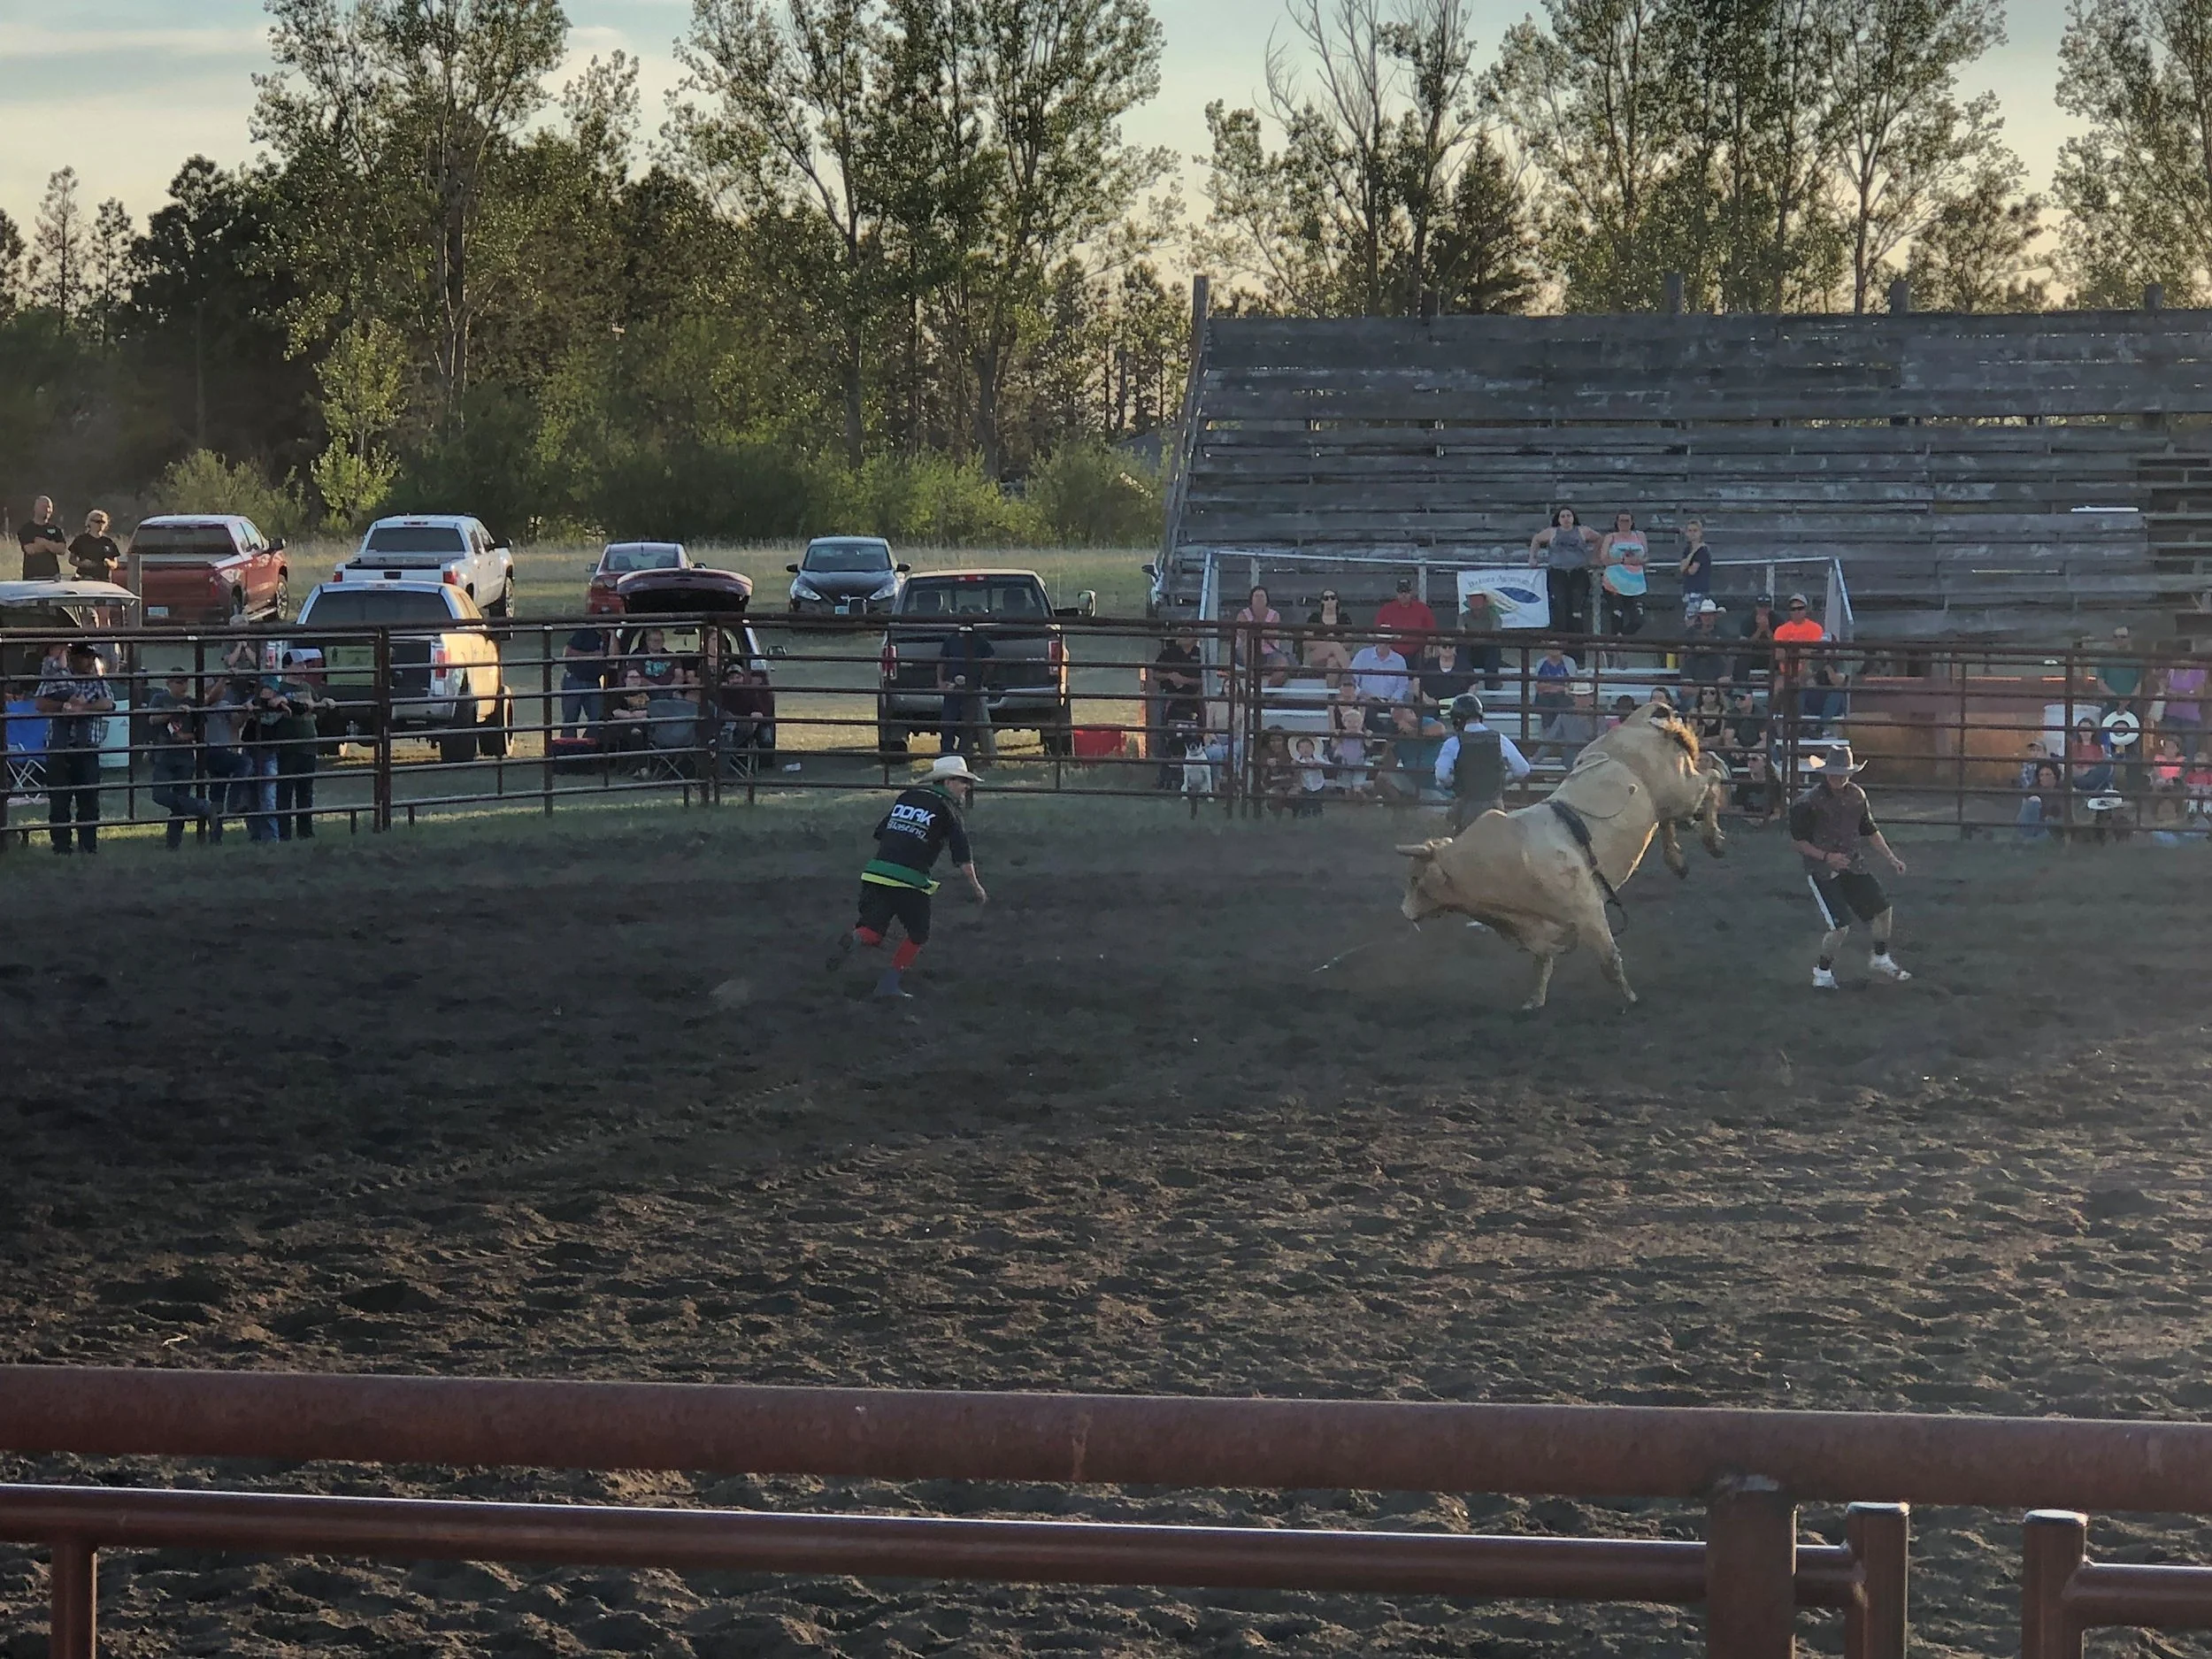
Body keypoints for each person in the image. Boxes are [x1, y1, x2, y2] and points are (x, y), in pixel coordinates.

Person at [828, 752, 988, 1000]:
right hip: (909, 879)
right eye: (962, 781)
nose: (967, 787)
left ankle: (855, 937)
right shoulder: (950, 810)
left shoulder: (908, 797)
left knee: (872, 929)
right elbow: (963, 858)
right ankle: (888, 985)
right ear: (947, 782)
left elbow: (881, 832)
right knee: (918, 933)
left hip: (875, 873)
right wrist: (977, 888)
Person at [1787, 747, 1910, 990]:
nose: (1838, 778)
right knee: (1840, 926)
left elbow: (1870, 830)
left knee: (1883, 909)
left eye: (1842, 773)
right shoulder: (1807, 803)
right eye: (1834, 773)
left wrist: (1890, 857)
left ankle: (1880, 957)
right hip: (1822, 870)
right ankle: (1822, 971)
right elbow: (1798, 842)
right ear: (1826, 773)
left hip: (1853, 864)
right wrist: (1826, 856)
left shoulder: (1857, 797)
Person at [34, 641, 113, 855]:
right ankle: (61, 846)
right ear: (74, 656)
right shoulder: (58, 677)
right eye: (85, 656)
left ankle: (88, 845)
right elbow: (40, 703)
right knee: (59, 801)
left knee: (88, 801)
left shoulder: (97, 681)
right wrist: (64, 707)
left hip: (86, 748)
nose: (90, 661)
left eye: (92, 657)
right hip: (60, 747)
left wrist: (81, 708)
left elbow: (108, 703)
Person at [1433, 694, 1531, 833]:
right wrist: (1502, 782)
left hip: (1467, 805)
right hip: (1495, 806)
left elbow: (1442, 775)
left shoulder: (1453, 744)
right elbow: (1523, 769)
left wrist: (1454, 784)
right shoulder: (1500, 739)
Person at [145, 672, 219, 849]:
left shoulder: (193, 703)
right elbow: (152, 719)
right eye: (179, 682)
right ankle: (204, 807)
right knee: (160, 795)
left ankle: (173, 844)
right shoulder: (160, 698)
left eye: (185, 682)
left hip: (184, 758)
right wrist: (173, 713)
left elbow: (202, 732)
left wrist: (185, 736)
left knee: (179, 803)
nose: (183, 685)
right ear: (169, 683)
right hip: (164, 755)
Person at [272, 656, 334, 841]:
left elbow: (317, 705)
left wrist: (325, 703)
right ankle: (284, 834)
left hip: (308, 744)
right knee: (285, 791)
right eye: (298, 663)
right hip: (288, 745)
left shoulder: (307, 688)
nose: (304, 667)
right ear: (287, 667)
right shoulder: (280, 688)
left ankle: (305, 832)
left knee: (305, 790)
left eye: (304, 664)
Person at [1148, 629, 1205, 787]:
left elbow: (1206, 678)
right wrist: (1169, 676)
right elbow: (1156, 673)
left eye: (1187, 634)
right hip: (1171, 698)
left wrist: (1185, 680)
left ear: (1194, 638)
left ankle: (1196, 776)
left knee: (1197, 732)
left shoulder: (1201, 655)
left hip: (1193, 699)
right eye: (1181, 634)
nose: (1183, 637)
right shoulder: (1169, 653)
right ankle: (1164, 775)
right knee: (1164, 733)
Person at [199, 673, 254, 836]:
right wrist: (223, 678)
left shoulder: (225, 704)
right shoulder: (203, 703)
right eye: (221, 686)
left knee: (217, 792)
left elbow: (236, 722)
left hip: (221, 750)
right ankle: (234, 802)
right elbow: (210, 697)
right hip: (212, 750)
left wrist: (245, 710)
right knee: (244, 763)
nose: (224, 689)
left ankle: (215, 835)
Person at [1528, 506, 1596, 635]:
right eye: (1563, 516)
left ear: (1573, 517)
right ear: (1558, 519)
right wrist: (1532, 558)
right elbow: (1536, 539)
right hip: (1558, 573)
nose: (1566, 519)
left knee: (1577, 607)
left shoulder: (1583, 531)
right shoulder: (1552, 532)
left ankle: (1577, 641)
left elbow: (1599, 539)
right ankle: (1560, 640)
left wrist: (1595, 558)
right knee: (1560, 605)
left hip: (1578, 572)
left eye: (1568, 516)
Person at [937, 621, 996, 764]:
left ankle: (963, 755)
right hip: (953, 687)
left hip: (970, 688)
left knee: (967, 723)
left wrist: (980, 680)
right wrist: (941, 682)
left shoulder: (978, 640)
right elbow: (941, 661)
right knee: (948, 722)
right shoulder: (952, 640)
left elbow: (991, 660)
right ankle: (947, 754)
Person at [1348, 632, 1412, 733]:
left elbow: (1402, 686)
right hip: (1368, 699)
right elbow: (1351, 678)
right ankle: (1384, 736)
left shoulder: (1399, 660)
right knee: (1366, 712)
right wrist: (1360, 693)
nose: (1383, 644)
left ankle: (1384, 737)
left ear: (1391, 643)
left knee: (1400, 712)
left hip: (1391, 701)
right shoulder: (1363, 655)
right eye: (1380, 641)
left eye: (1386, 642)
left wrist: (1394, 699)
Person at [1597, 511, 1648, 638]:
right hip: (1614, 582)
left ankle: (1622, 637)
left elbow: (1646, 556)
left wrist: (1637, 561)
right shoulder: (1611, 537)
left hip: (1635, 583)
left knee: (1638, 619)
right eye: (1621, 521)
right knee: (1617, 615)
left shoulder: (1640, 535)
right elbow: (1604, 559)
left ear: (1632, 522)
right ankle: (1615, 644)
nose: (1624, 524)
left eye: (1627, 521)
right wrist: (1623, 561)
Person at [560, 626, 611, 739]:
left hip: (594, 681)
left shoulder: (611, 636)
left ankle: (587, 747)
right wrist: (592, 655)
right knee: (570, 719)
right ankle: (567, 751)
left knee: (597, 718)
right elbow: (567, 653)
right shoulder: (585, 631)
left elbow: (614, 656)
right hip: (574, 679)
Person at [1232, 585, 1290, 681]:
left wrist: (1254, 630)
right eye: (1256, 596)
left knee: (1282, 664)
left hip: (1269, 652)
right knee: (1251, 643)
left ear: (1267, 599)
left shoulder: (1274, 615)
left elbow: (1272, 636)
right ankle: (1251, 679)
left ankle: (1270, 689)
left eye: (1262, 596)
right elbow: (1243, 633)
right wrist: (1263, 631)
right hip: (1244, 652)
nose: (1259, 599)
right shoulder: (1242, 614)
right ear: (1251, 599)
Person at [1375, 576, 1437, 657]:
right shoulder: (1386, 609)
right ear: (1397, 593)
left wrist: (1428, 650)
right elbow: (1376, 632)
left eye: (1406, 591)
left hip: (1417, 654)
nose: (1404, 594)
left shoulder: (1423, 609)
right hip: (1391, 654)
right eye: (1401, 592)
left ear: (1411, 592)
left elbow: (1432, 633)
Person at [1455, 588, 1503, 689]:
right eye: (1472, 599)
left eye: (1478, 599)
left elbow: (1495, 634)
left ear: (1484, 601)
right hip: (1470, 651)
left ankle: (1491, 683)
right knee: (1462, 648)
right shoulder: (1463, 616)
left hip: (1487, 652)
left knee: (1493, 648)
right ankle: (1465, 682)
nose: (1475, 602)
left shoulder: (1494, 616)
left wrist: (1472, 636)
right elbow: (1460, 632)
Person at [2162, 657, 2206, 760]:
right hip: (2172, 715)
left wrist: (2178, 694)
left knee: (2190, 748)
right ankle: (2170, 773)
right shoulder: (2172, 671)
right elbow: (2164, 686)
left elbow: (2200, 695)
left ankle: (2187, 774)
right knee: (2171, 747)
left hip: (2190, 717)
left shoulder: (2198, 672)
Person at [1417, 637, 1478, 711]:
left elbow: (1473, 684)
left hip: (1458, 708)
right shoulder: (1429, 664)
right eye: (1444, 646)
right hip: (1432, 707)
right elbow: (1417, 682)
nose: (1447, 648)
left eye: (1451, 645)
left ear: (1455, 647)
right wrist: (1426, 699)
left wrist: (1465, 700)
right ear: (1438, 647)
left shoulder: (1464, 664)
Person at [1681, 599, 1728, 691]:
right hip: (1693, 670)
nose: (1707, 617)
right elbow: (1681, 646)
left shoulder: (1723, 633)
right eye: (1704, 614)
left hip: (1716, 670)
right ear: (1700, 616)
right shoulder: (1690, 632)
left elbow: (1730, 652)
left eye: (1710, 614)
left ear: (1715, 616)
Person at [1732, 595, 1778, 684]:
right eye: (1761, 607)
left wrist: (1767, 630)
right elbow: (1744, 646)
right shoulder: (1748, 620)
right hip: (1753, 654)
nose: (1763, 610)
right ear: (1756, 607)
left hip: (1770, 655)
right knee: (1741, 659)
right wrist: (1760, 630)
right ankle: (1741, 691)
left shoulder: (1777, 619)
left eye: (1766, 607)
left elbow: (1779, 644)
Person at [2016, 759, 2064, 841]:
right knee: (2034, 800)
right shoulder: (2033, 789)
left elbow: (2061, 812)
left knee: (2050, 828)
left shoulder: (2062, 790)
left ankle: (2028, 842)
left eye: (2048, 774)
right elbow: (2024, 811)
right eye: (2041, 775)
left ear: (2055, 776)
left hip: (2049, 825)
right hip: (2031, 823)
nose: (2044, 778)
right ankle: (2028, 839)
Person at [66, 511, 121, 583]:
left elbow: (115, 564)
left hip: (104, 579)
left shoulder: (108, 542)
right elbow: (71, 560)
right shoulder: (81, 540)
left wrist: (108, 563)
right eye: (97, 522)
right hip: (84, 578)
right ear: (89, 522)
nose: (100, 524)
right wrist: (83, 564)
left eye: (103, 522)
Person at [18, 497, 65, 581]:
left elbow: (62, 549)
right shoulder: (26, 529)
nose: (47, 510)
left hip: (52, 578)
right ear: (35, 508)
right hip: (32, 577)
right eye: (44, 507)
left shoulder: (55, 530)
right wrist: (52, 545)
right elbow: (30, 550)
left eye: (49, 507)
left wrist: (44, 542)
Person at [1732, 748, 1778, 825]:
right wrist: (1749, 820)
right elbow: (1739, 809)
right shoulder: (1743, 782)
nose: (1750, 763)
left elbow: (1778, 811)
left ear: (1765, 762)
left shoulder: (1774, 783)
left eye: (1754, 759)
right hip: (1747, 823)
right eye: (1748, 759)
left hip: (1770, 824)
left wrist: (1767, 820)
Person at [1678, 519, 1713, 621]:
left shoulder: (1703, 551)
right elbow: (1682, 568)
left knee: (1692, 619)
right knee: (1688, 618)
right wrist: (1693, 551)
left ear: (1700, 532)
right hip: (1688, 589)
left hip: (1699, 590)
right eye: (1690, 531)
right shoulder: (1687, 550)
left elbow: (1692, 571)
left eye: (1695, 530)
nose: (1692, 533)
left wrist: (1687, 566)